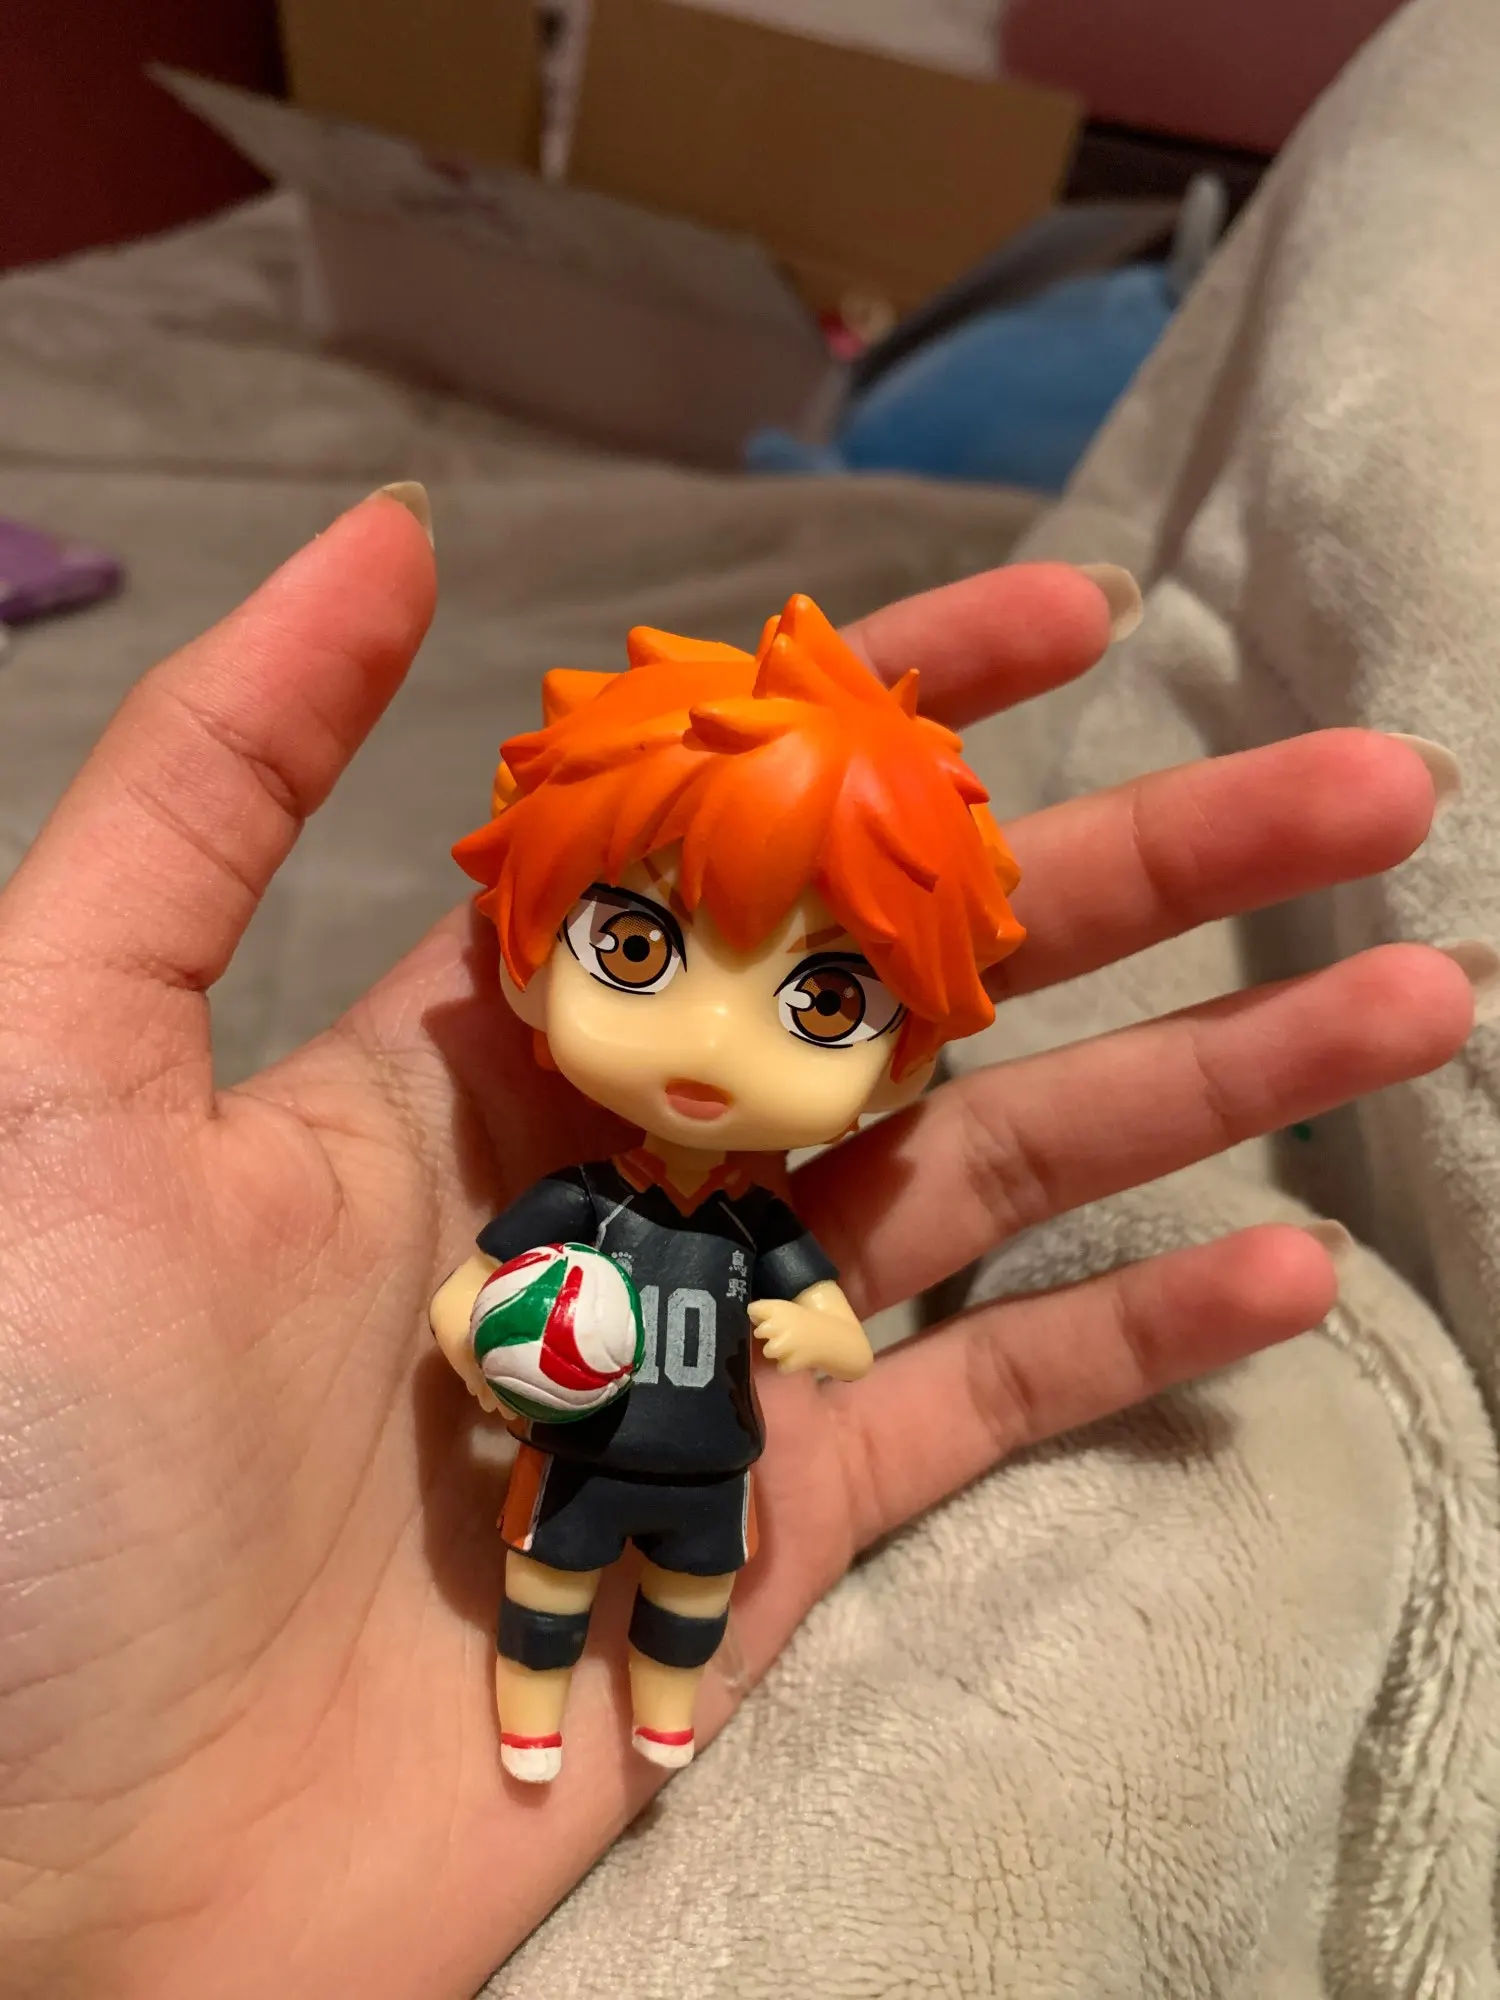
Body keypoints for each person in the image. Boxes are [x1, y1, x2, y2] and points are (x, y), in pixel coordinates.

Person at [0, 485, 1477, 2000]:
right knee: (548, 1581)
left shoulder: (759, 1224)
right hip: (576, 1451)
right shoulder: (588, 1204)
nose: (712, 1038)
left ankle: (657, 1704)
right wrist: (478, 1338)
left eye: (822, 1000)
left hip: (711, 1460)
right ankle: (529, 1711)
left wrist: (821, 1328)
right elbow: (476, 1293)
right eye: (638, 949)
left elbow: (814, 1304)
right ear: (529, 957)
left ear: (902, 1058)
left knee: (693, 1594)